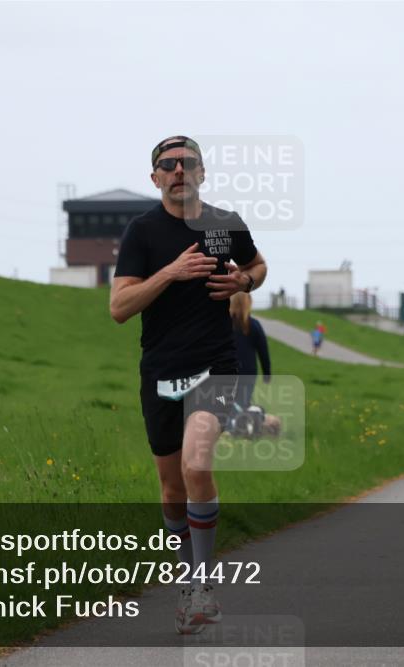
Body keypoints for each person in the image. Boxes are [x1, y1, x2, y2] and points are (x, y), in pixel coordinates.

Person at [109, 135, 267, 635]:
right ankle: (186, 583)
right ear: (154, 178)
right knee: (171, 487)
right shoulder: (141, 233)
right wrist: (172, 273)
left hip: (216, 366)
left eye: (188, 163)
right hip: (160, 370)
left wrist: (244, 282)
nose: (179, 170)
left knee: (196, 460)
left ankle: (203, 588)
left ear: (203, 172)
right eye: (168, 165)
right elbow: (119, 308)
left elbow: (259, 266)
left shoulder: (225, 224)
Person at [229, 292, 271, 410]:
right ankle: (240, 425)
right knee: (242, 403)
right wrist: (267, 373)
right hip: (248, 372)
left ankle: (227, 425)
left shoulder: (224, 324)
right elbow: (263, 352)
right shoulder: (254, 325)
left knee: (223, 402)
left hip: (225, 371)